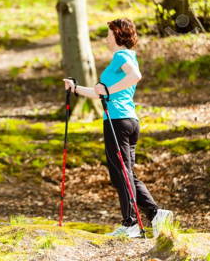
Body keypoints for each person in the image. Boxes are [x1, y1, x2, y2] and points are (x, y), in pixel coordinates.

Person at [63, 18, 173, 238]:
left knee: (121, 174)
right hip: (128, 121)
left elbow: (134, 77)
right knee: (125, 173)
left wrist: (108, 90)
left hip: (118, 122)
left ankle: (131, 223)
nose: (106, 38)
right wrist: (75, 89)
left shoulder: (121, 56)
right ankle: (156, 214)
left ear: (118, 35)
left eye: (108, 34)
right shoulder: (125, 57)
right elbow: (99, 92)